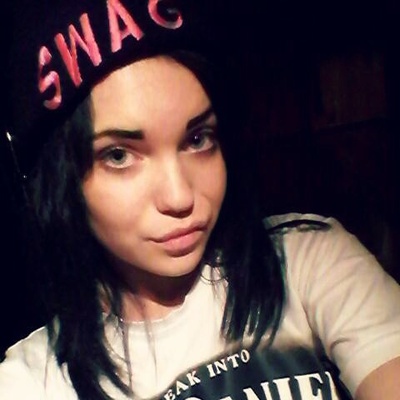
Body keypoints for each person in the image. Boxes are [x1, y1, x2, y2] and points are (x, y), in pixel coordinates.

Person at [1, 0, 399, 399]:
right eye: (118, 155)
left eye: (197, 139)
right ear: (60, 179)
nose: (179, 197)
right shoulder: (35, 380)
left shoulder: (306, 262)